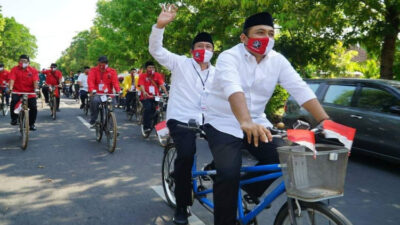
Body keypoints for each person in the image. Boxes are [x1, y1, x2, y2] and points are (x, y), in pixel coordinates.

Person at [203, 12, 330, 225]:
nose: (266, 38)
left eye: (271, 33)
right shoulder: (229, 57)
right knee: (228, 173)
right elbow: (233, 88)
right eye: (260, 32)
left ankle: (248, 190)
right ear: (244, 38)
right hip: (222, 121)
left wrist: (325, 120)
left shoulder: (277, 61)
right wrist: (244, 121)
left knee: (281, 157)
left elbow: (299, 88)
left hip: (257, 122)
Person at [149, 4, 215, 224]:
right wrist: (160, 26)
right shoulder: (180, 63)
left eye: (208, 46)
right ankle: (182, 205)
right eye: (199, 45)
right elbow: (156, 51)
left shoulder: (219, 72)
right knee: (186, 155)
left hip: (208, 120)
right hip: (181, 120)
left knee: (232, 146)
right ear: (191, 50)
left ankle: (209, 171)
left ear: (213, 51)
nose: (203, 49)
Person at [8, 55, 40, 130]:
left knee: (33, 107)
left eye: (25, 61)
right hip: (17, 91)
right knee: (14, 102)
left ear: (28, 62)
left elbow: (35, 81)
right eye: (21, 61)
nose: (23, 62)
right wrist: (10, 88)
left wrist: (36, 89)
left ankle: (31, 124)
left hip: (30, 92)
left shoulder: (33, 70)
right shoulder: (14, 69)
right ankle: (14, 119)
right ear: (19, 61)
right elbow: (12, 79)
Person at [87, 56, 121, 126]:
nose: (102, 65)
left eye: (104, 63)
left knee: (111, 105)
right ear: (98, 63)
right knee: (95, 101)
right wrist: (92, 90)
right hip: (97, 93)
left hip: (108, 93)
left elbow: (115, 82)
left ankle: (111, 126)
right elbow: (90, 81)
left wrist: (118, 90)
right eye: (101, 63)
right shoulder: (93, 70)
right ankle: (94, 119)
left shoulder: (112, 71)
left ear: (107, 64)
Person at [138, 61, 168, 134]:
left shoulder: (157, 75)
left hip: (156, 96)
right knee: (148, 108)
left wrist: (167, 93)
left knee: (158, 110)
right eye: (150, 67)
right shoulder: (142, 76)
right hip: (146, 96)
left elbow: (161, 84)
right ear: (146, 68)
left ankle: (158, 128)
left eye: (153, 67)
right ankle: (146, 127)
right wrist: (144, 91)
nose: (151, 69)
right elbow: (141, 84)